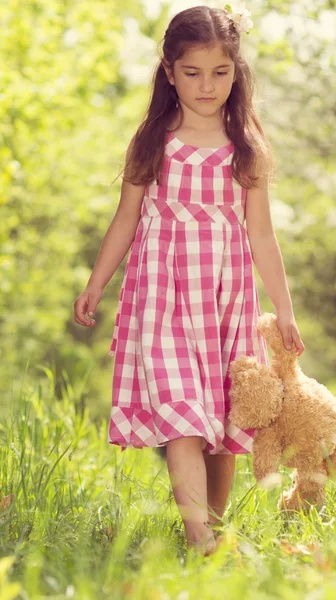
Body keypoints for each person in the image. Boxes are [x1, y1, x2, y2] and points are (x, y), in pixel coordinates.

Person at [73, 4, 305, 556]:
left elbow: (263, 235)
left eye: (220, 73)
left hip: (225, 295)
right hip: (161, 292)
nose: (207, 85)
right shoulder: (153, 140)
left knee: (220, 419)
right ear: (170, 71)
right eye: (193, 72)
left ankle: (213, 530)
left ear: (236, 71)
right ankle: (198, 535)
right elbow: (126, 217)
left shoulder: (245, 144)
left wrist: (285, 310)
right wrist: (95, 283)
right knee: (182, 413)